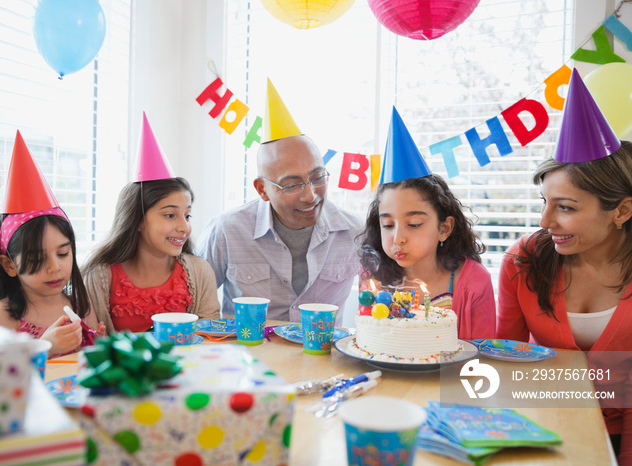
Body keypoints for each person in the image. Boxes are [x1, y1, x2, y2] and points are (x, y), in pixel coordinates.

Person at [497, 69, 632, 463]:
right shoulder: (523, 259)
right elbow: (506, 359)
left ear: (621, 210)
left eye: (566, 208)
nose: (545, 221)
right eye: (545, 201)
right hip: (539, 431)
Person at [196, 79, 361, 322]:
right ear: (262, 189)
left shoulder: (357, 232)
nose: (310, 195)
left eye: (317, 177)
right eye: (292, 184)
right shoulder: (226, 231)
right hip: (246, 357)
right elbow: (196, 308)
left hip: (327, 359)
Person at [358, 107, 495, 339]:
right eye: (388, 225)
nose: (398, 238)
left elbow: (482, 353)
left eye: (413, 224)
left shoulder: (473, 281)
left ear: (444, 228)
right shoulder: (374, 275)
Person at [82, 113, 220, 334]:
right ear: (136, 219)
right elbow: (88, 345)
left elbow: (210, 338)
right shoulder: (98, 276)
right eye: (169, 215)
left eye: (187, 215)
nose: (184, 227)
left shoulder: (199, 272)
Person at [0, 131, 103, 357]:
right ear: (9, 265)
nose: (54, 267)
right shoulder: (2, 315)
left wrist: (100, 345)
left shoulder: (79, 305)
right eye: (37, 258)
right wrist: (42, 349)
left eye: (63, 253)